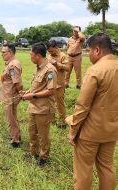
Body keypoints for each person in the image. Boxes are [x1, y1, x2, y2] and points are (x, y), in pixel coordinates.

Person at [66, 33, 118, 190]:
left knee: (83, 170)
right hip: (112, 130)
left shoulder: (95, 70)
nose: (88, 55)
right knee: (107, 166)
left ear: (97, 50)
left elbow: (82, 105)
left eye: (88, 51)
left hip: (89, 132)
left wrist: (73, 130)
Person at [22, 42, 57, 167]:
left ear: (37, 55)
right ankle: (33, 152)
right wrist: (28, 92)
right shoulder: (38, 67)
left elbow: (51, 90)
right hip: (34, 106)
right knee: (32, 132)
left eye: (31, 55)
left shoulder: (50, 70)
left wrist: (33, 95)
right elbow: (36, 86)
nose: (30, 57)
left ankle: (44, 158)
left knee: (43, 135)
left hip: (43, 108)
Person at [0, 44, 23, 148]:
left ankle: (15, 141)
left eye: (4, 52)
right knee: (12, 117)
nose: (2, 54)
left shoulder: (13, 65)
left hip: (10, 97)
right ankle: (15, 135)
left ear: (10, 53)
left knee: (11, 119)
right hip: (8, 96)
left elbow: (18, 83)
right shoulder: (10, 64)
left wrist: (20, 94)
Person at [47, 40, 69, 128]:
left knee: (60, 104)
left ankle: (63, 122)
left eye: (52, 51)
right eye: (49, 51)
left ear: (56, 48)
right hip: (50, 83)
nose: (51, 53)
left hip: (59, 84)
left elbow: (67, 68)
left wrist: (56, 63)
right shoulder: (49, 56)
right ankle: (52, 120)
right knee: (51, 103)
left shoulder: (63, 56)